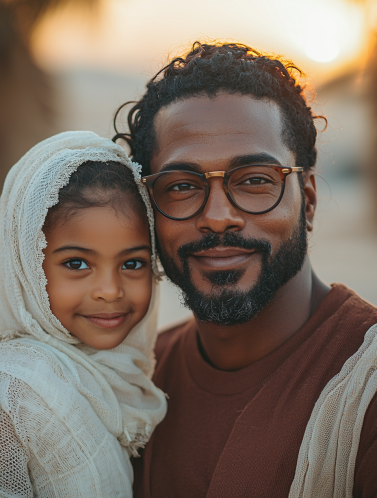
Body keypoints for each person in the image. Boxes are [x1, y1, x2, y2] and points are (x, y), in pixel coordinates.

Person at [113, 42, 377, 497]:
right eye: (181, 185)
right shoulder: (133, 387)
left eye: (255, 180)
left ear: (308, 200)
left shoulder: (365, 388)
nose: (218, 216)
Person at [0, 131, 167, 497]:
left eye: (133, 263)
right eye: (76, 263)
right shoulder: (16, 394)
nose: (109, 290)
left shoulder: (118, 375)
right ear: (26, 265)